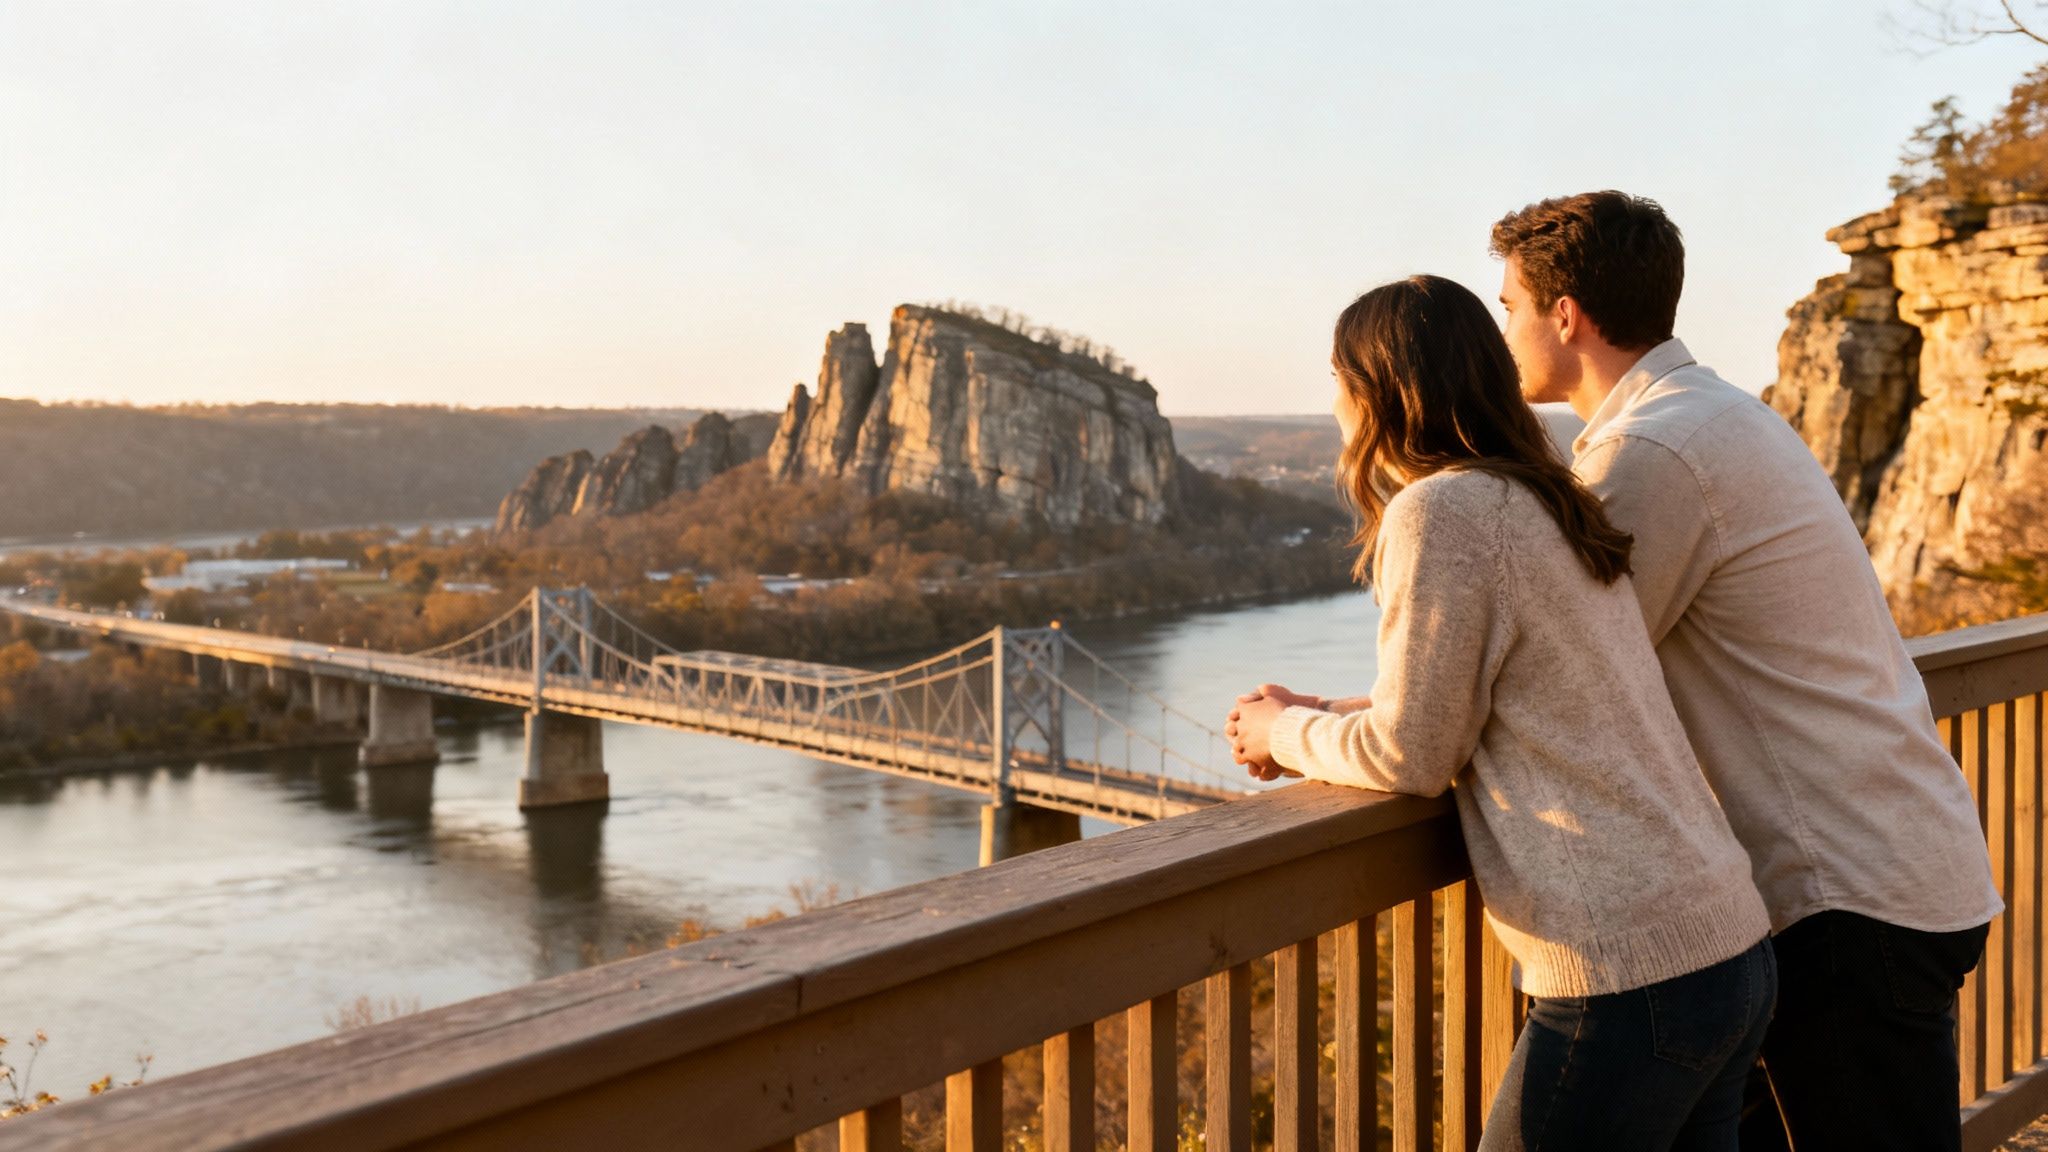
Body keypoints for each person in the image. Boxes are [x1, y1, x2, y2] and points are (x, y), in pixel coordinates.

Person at [1488, 190, 2000, 1151]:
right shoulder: (1713, 414)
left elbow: (1552, 678)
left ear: (1567, 315)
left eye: (1509, 305)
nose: (1502, 328)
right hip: (1879, 870)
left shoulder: (1651, 453)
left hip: (1844, 898)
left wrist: (1329, 725)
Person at [1226, 274, 1775, 1151]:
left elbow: (1413, 752)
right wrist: (1321, 709)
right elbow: (1500, 693)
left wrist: (1280, 733)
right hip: (1726, 944)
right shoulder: (1542, 495)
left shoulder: (1438, 511)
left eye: (1336, 378)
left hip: (1628, 970)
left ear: (1374, 389)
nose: (1330, 402)